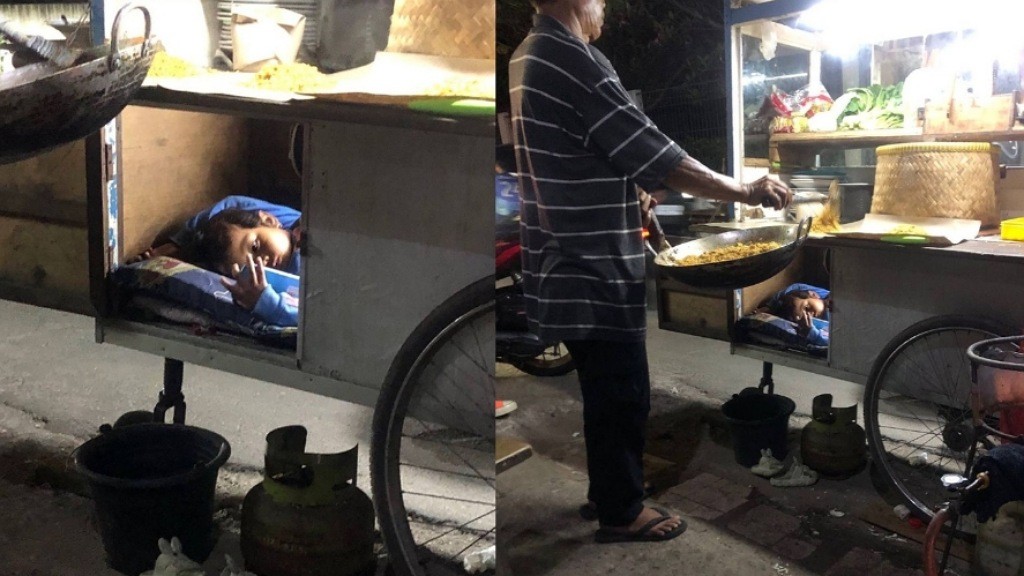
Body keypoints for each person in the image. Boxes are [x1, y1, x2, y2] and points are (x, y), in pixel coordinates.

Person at [508, 0, 792, 544]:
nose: (605, 7)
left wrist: (626, 189)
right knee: (623, 393)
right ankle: (622, 513)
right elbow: (661, 156)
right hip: (592, 264)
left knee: (603, 392)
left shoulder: (527, 54)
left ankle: (607, 493)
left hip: (559, 257)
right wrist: (745, 189)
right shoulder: (573, 58)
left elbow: (579, 150)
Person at [131, 195, 302, 327]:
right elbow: (315, 318)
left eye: (256, 246)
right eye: (248, 268)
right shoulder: (288, 290)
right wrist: (265, 302)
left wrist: (180, 242)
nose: (261, 263)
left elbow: (232, 203)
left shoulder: (293, 222)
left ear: (270, 220)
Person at [763, 283, 830, 347]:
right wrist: (810, 333)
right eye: (804, 317)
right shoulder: (820, 327)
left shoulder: (826, 295)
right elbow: (832, 343)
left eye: (807, 308)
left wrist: (770, 306)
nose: (809, 316)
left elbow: (797, 287)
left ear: (813, 294)